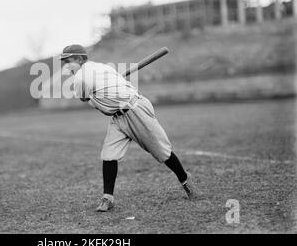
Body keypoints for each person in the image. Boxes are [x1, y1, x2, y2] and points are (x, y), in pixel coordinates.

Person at [59, 44, 198, 212]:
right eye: (64, 62)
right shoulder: (102, 68)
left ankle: (185, 180)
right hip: (118, 117)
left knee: (162, 152)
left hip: (135, 110)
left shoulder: (81, 77)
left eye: (69, 60)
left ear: (81, 59)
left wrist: (93, 98)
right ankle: (107, 198)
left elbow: (83, 98)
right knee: (109, 155)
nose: (66, 65)